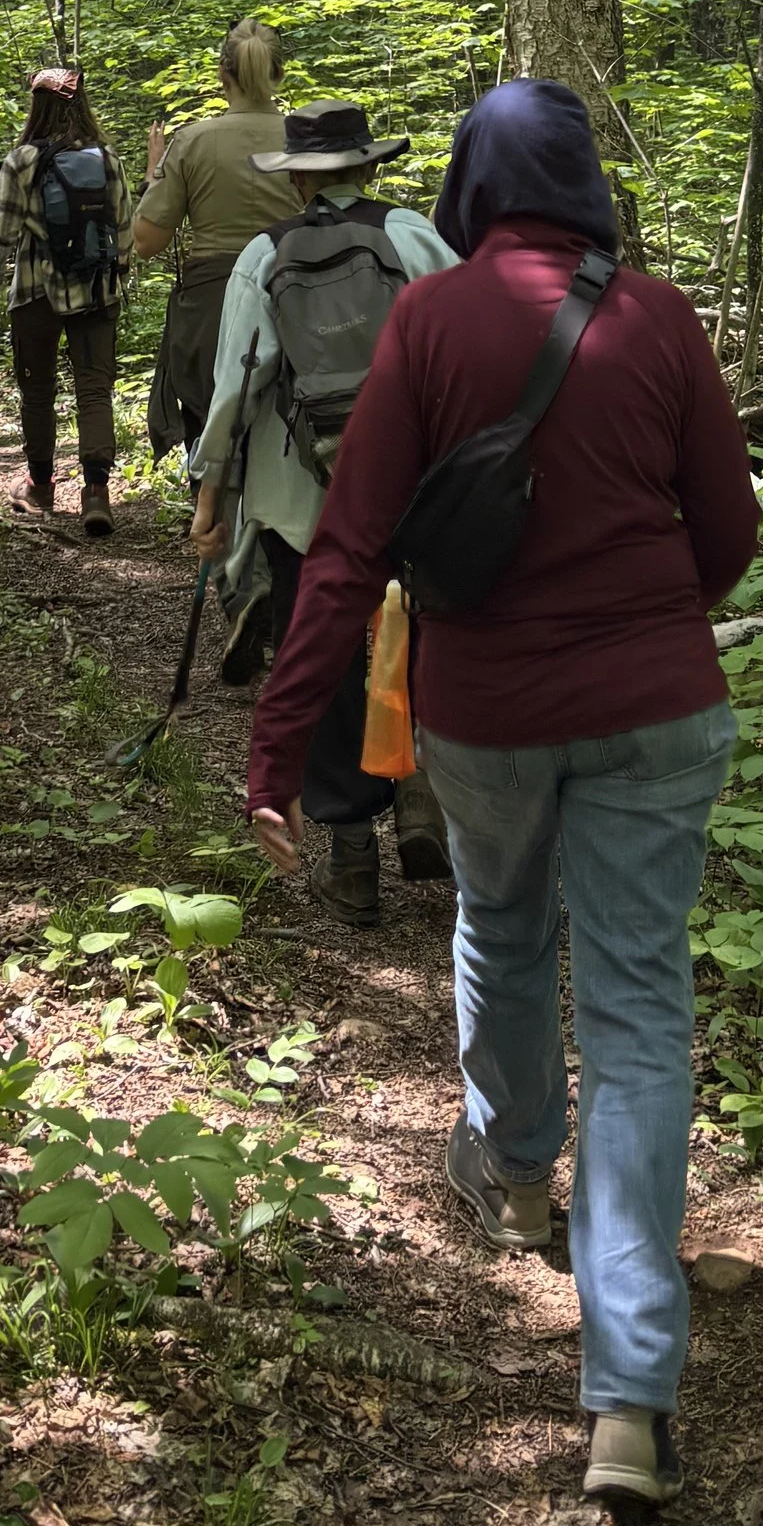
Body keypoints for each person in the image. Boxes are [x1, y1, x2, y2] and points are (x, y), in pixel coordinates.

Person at [243, 79, 761, 1513]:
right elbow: (730, 528)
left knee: (501, 921)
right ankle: (630, 1400)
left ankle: (519, 1170)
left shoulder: (433, 316)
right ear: (587, 179)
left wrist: (279, 745)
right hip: (657, 709)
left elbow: (347, 550)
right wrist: (649, 625)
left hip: (482, 716)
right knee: (643, 1015)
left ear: (473, 182)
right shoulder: (654, 315)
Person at [188, 99, 456, 921]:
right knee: (422, 630)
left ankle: (350, 855)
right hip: (419, 485)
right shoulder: (415, 236)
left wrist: (211, 499)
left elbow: (236, 388)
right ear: (369, 164)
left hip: (305, 496)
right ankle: (421, 792)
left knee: (331, 651)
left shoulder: (264, 256)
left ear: (299, 176)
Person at [0, 64, 132, 537]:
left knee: (37, 389)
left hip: (36, 290)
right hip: (97, 291)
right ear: (82, 107)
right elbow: (124, 232)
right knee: (94, 390)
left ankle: (40, 486)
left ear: (37, 106)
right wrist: (117, 280)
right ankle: (96, 493)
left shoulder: (23, 161)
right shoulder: (107, 159)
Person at [132, 20, 298, 467]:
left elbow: (146, 242)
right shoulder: (307, 140)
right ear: (279, 75)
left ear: (223, 76)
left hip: (213, 303)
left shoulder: (191, 142)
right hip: (297, 294)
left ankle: (212, 524)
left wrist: (154, 178)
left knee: (211, 419)